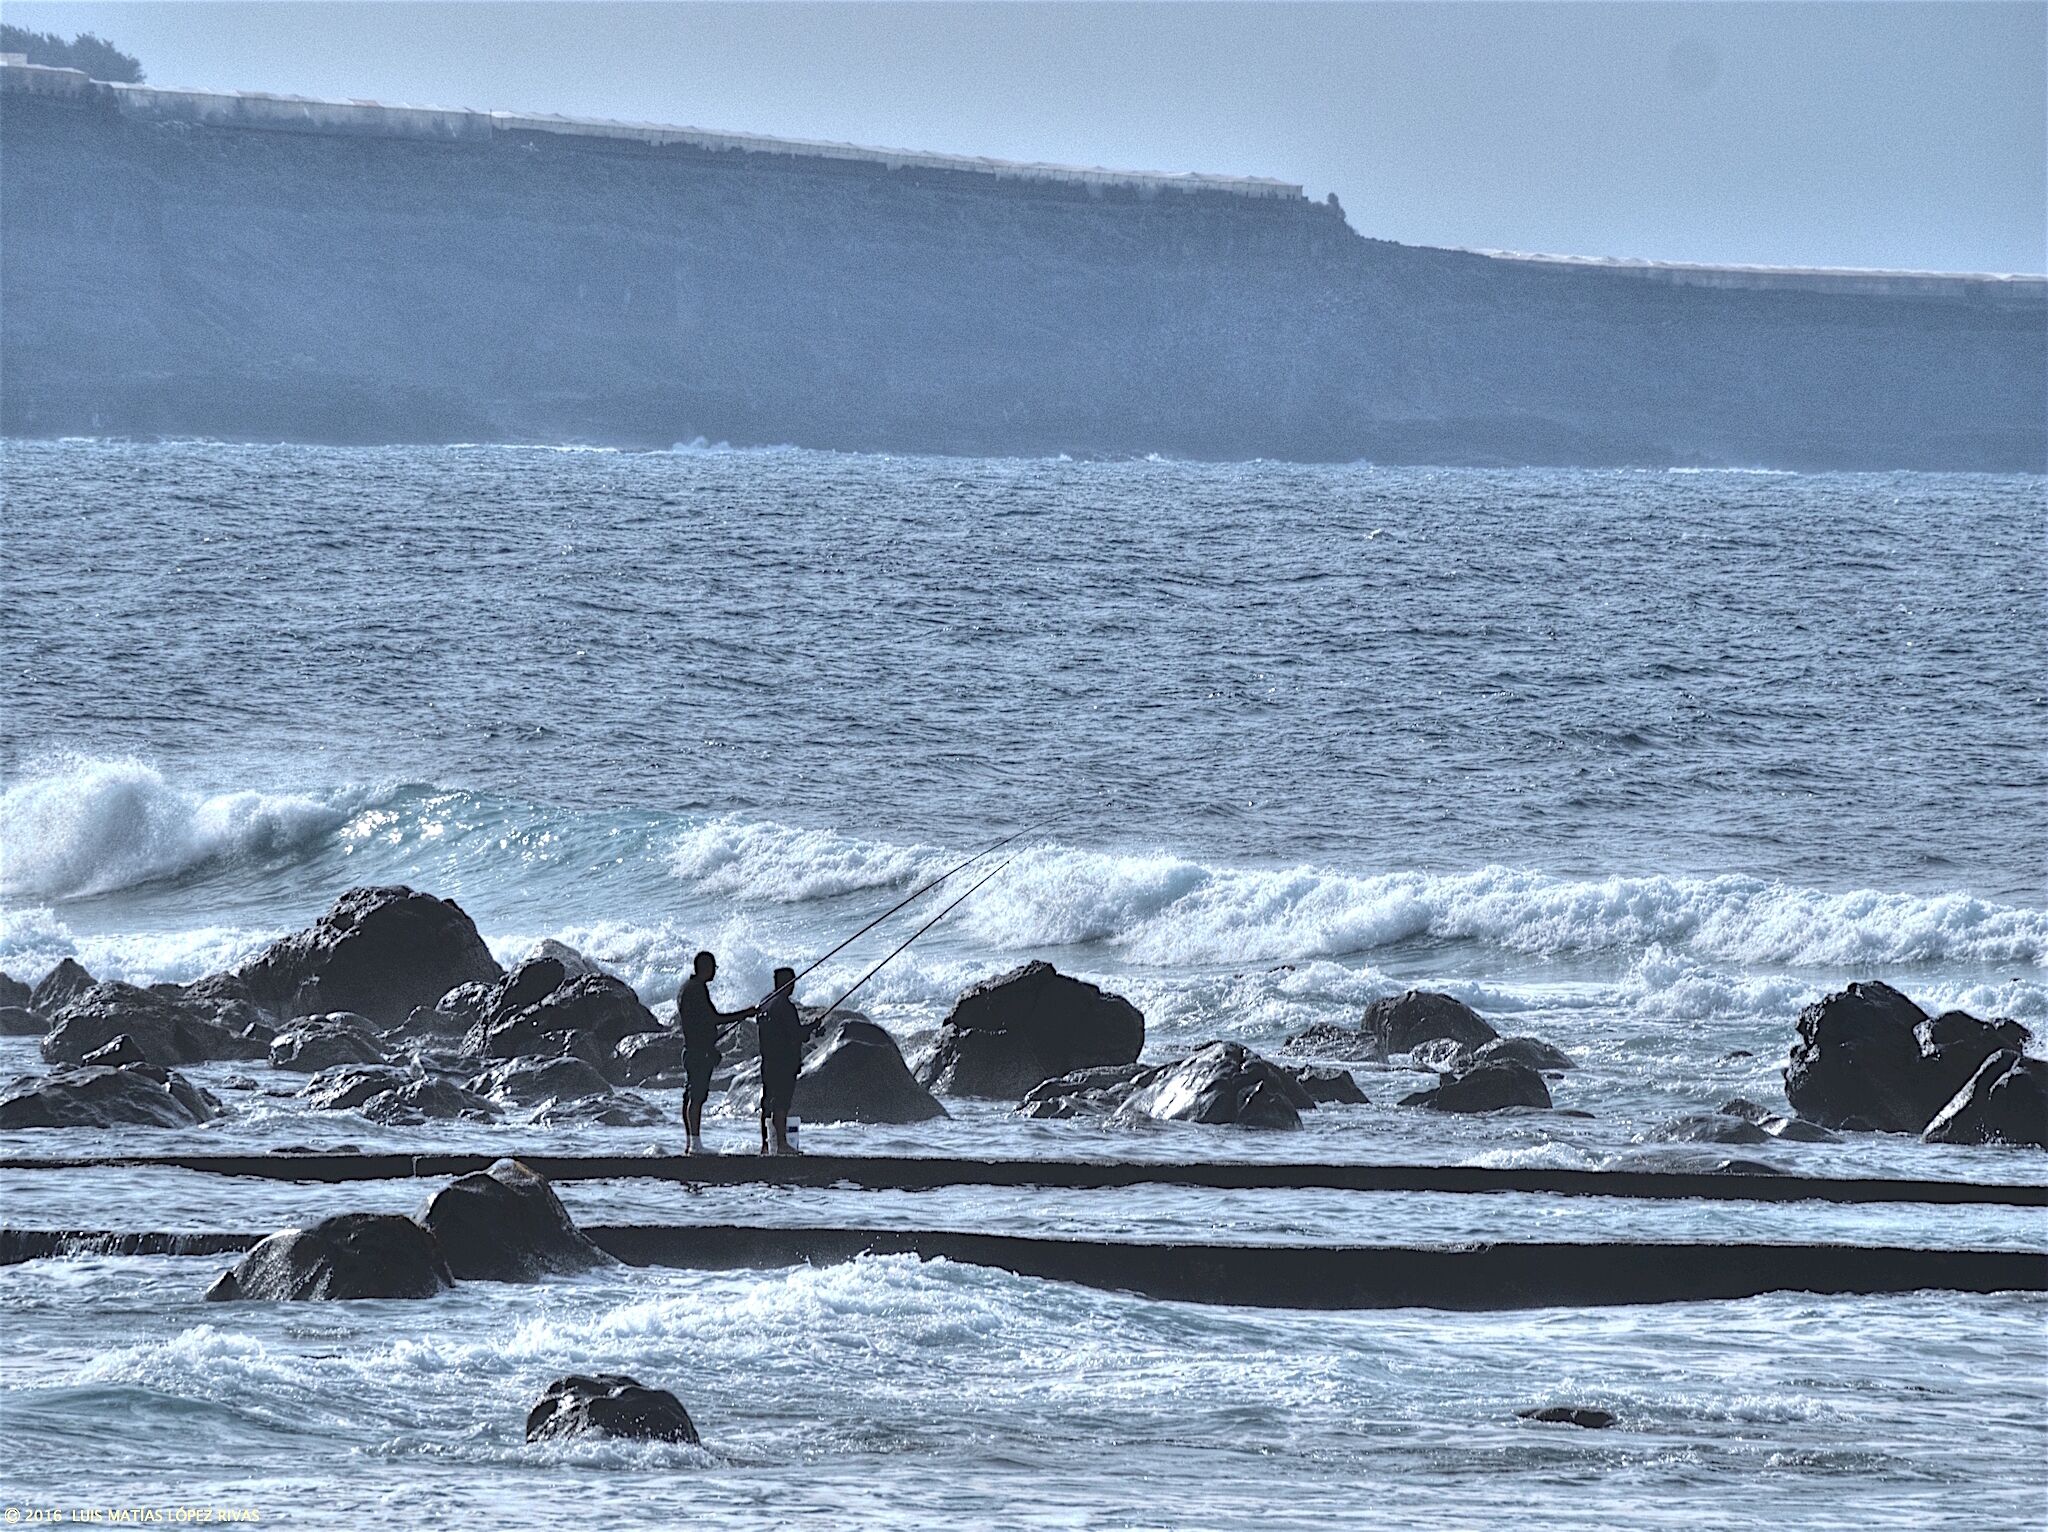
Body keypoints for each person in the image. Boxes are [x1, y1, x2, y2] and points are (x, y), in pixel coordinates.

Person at [674, 949, 753, 1155]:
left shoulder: (686, 987)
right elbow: (713, 1018)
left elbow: (700, 1021)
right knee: (697, 1096)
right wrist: (745, 1013)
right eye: (714, 967)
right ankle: (695, 1145)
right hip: (699, 1051)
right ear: (706, 967)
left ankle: (690, 1143)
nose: (715, 971)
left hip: (693, 1048)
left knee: (690, 1096)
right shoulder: (697, 989)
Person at [757, 966, 804, 1156]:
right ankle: (782, 1144)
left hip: (768, 1060)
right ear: (788, 983)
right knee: (782, 1103)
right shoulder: (785, 1006)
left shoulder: (765, 1002)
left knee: (767, 1103)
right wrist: (813, 1027)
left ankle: (766, 1146)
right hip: (784, 1062)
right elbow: (797, 1034)